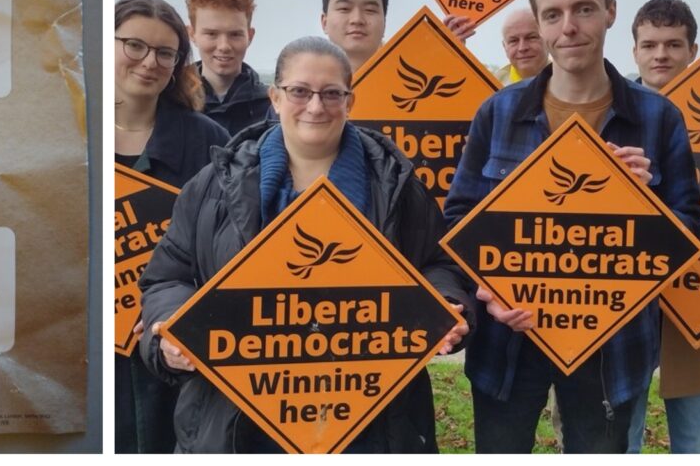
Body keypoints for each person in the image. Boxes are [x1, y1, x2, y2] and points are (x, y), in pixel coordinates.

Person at [138, 35, 475, 453]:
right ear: (275, 97)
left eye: (332, 93)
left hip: (372, 421)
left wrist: (445, 303)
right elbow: (167, 277)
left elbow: (438, 262)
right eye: (299, 91)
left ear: (350, 101)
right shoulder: (212, 186)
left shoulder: (397, 184)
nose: (316, 107)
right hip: (237, 423)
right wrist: (169, 336)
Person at [444, 0, 700, 453]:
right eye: (553, 14)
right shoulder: (496, 113)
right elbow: (459, 222)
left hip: (612, 347)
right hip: (508, 345)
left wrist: (644, 199)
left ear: (609, 11)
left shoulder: (659, 118)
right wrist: (489, 293)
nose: (569, 28)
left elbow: (688, 233)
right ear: (539, 24)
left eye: (584, 9)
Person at [114, 0, 230, 453]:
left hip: (181, 358)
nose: (150, 62)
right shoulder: (69, 134)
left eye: (166, 53)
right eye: (135, 46)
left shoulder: (209, 141)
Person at [626, 0, 700, 454]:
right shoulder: (606, 111)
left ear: (693, 50)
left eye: (674, 44)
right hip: (624, 302)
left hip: (699, 295)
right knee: (617, 436)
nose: (662, 55)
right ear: (634, 50)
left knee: (699, 439)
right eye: (650, 44)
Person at [320, 0, 476, 72]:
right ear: (324, 22)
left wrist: (452, 62)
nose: (357, 19)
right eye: (344, 8)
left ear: (384, 20)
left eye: (370, 10)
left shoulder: (414, 72)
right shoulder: (303, 78)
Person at [186, 0, 271, 135]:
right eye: (211, 34)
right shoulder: (170, 103)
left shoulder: (273, 108)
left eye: (235, 35)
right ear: (192, 34)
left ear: (250, 36)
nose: (224, 46)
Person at [496, 9, 550, 85]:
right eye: (514, 41)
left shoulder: (570, 80)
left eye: (531, 37)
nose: (522, 48)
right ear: (505, 47)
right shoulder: (490, 88)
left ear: (548, 40)